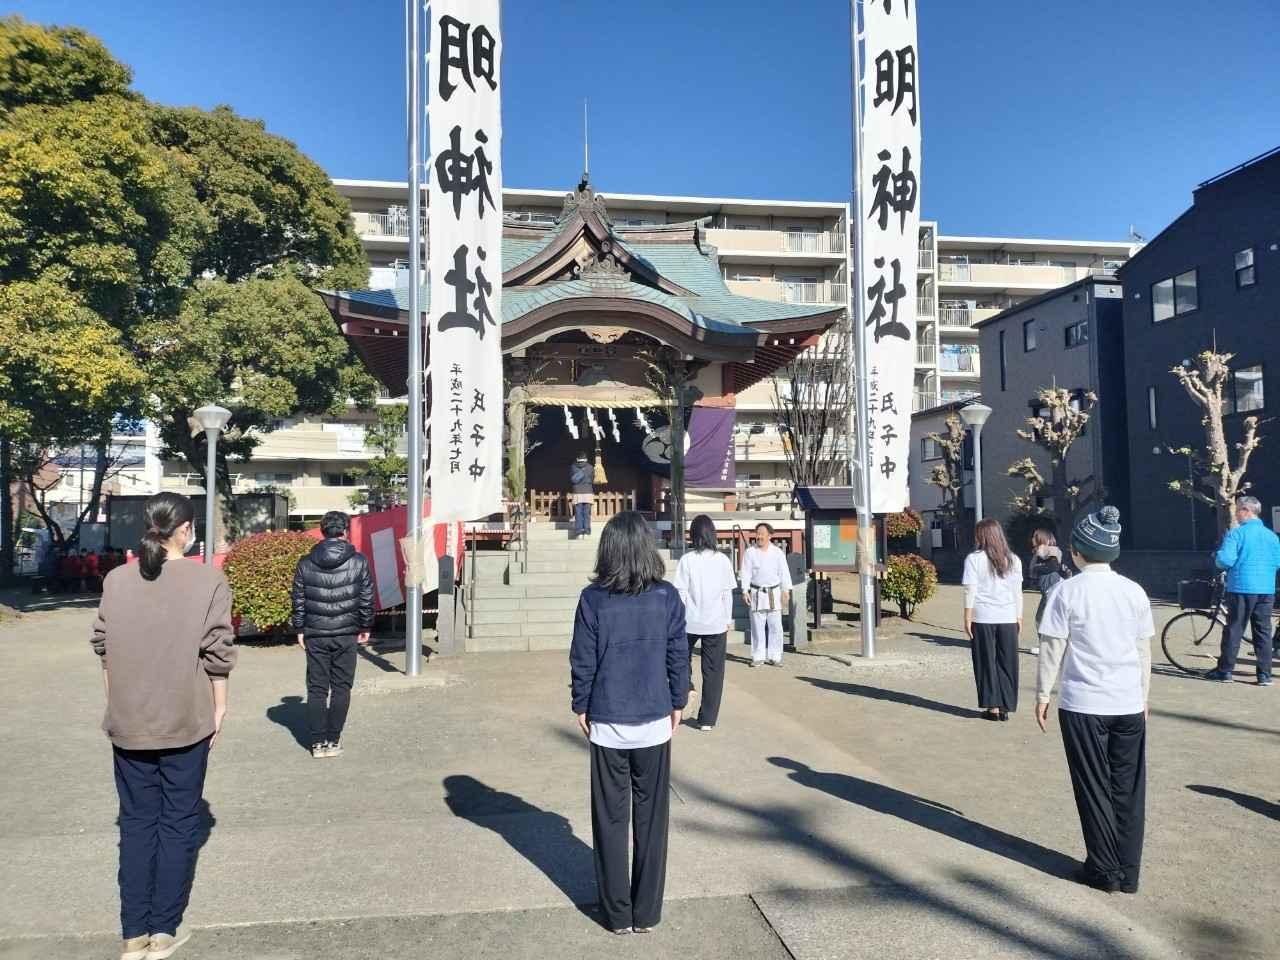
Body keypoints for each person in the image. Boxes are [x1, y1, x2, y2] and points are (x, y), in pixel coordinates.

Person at [90, 492, 236, 960]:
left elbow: (104, 649)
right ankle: (163, 932)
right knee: (177, 824)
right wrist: (219, 709)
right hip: (185, 719)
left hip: (129, 719)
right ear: (187, 530)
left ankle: (132, 934)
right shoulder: (208, 580)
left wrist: (117, 702)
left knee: (135, 824)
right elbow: (218, 654)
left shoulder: (116, 580)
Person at [570, 511, 688, 935]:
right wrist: (679, 700)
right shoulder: (667, 596)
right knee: (652, 820)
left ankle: (616, 914)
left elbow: (582, 659)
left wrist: (580, 704)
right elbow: (678, 655)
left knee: (610, 820)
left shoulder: (592, 599)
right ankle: (647, 913)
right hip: (655, 719)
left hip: (607, 719)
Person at [1036, 505, 1153, 894]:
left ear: (1078, 552)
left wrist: (1042, 694)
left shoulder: (1066, 591)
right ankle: (1129, 871)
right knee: (1129, 787)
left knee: (1093, 785)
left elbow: (1053, 648)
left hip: (1083, 702)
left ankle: (1103, 868)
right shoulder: (1134, 591)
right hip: (1128, 701)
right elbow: (1143, 651)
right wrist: (1144, 695)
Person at [291, 510, 374, 759]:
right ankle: (333, 740)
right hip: (346, 632)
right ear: (345, 531)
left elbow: (298, 599)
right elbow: (366, 598)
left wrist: (300, 628)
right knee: (341, 687)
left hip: (316, 632)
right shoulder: (358, 561)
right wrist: (365, 625)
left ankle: (317, 743)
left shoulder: (305, 562)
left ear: (322, 531)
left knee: (317, 689)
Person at [1206, 495, 1279, 686]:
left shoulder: (1236, 534)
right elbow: (1277, 562)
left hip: (1241, 587)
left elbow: (1225, 560)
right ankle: (1264, 676)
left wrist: (1217, 556)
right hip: (1266, 589)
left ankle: (1225, 671)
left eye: (1238, 509)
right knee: (1263, 631)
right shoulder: (1272, 536)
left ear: (1247, 511)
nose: (1236, 514)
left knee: (1234, 629)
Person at [672, 515, 737, 731]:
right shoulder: (723, 560)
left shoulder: (687, 560)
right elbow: (727, 594)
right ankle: (707, 719)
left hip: (689, 620)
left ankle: (685, 690)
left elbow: (681, 593)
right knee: (713, 671)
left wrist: (678, 618)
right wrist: (728, 619)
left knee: (680, 660)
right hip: (716, 622)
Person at [962, 519, 1024, 720]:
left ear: (982, 536)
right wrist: (1019, 616)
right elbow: (1018, 592)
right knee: (1008, 662)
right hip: (1008, 616)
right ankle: (1006, 705)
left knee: (985, 661)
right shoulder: (1014, 559)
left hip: (982, 616)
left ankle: (992, 707)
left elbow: (970, 589)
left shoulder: (974, 559)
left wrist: (967, 616)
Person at [739, 522, 793, 667]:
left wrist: (786, 590)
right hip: (757, 592)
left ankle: (775, 656)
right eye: (758, 533)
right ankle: (758, 656)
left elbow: (784, 572)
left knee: (775, 626)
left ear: (769, 535)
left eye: (762, 533)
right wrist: (745, 590)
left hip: (773, 592)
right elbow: (745, 573)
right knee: (757, 625)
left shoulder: (777, 553)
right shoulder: (750, 552)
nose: (759, 536)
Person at [1028, 528, 1068, 656]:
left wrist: (1036, 568)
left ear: (1042, 538)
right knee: (1043, 618)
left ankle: (1047, 649)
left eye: (1035, 536)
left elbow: (1053, 566)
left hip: (1053, 588)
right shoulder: (1040, 552)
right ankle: (1049, 647)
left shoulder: (1050, 550)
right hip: (1049, 589)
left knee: (1041, 618)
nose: (1032, 539)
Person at [570, 452, 594, 538]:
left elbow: (572, 479)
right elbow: (592, 479)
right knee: (586, 513)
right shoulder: (590, 467)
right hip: (588, 491)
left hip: (577, 492)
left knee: (578, 513)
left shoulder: (573, 467)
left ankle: (579, 532)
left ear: (577, 459)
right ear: (586, 459)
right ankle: (586, 532)